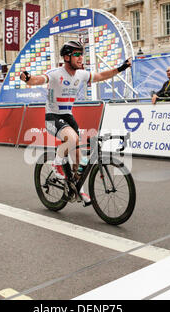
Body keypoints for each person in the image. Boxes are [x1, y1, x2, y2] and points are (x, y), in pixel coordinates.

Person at [20, 40, 132, 204]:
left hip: (68, 117)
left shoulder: (82, 74)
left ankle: (77, 188)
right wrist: (28, 78)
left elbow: (101, 76)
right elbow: (38, 80)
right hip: (52, 117)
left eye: (82, 54)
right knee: (72, 139)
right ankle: (57, 164)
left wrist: (121, 68)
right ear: (66, 57)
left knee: (78, 161)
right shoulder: (56, 74)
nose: (81, 58)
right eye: (77, 54)